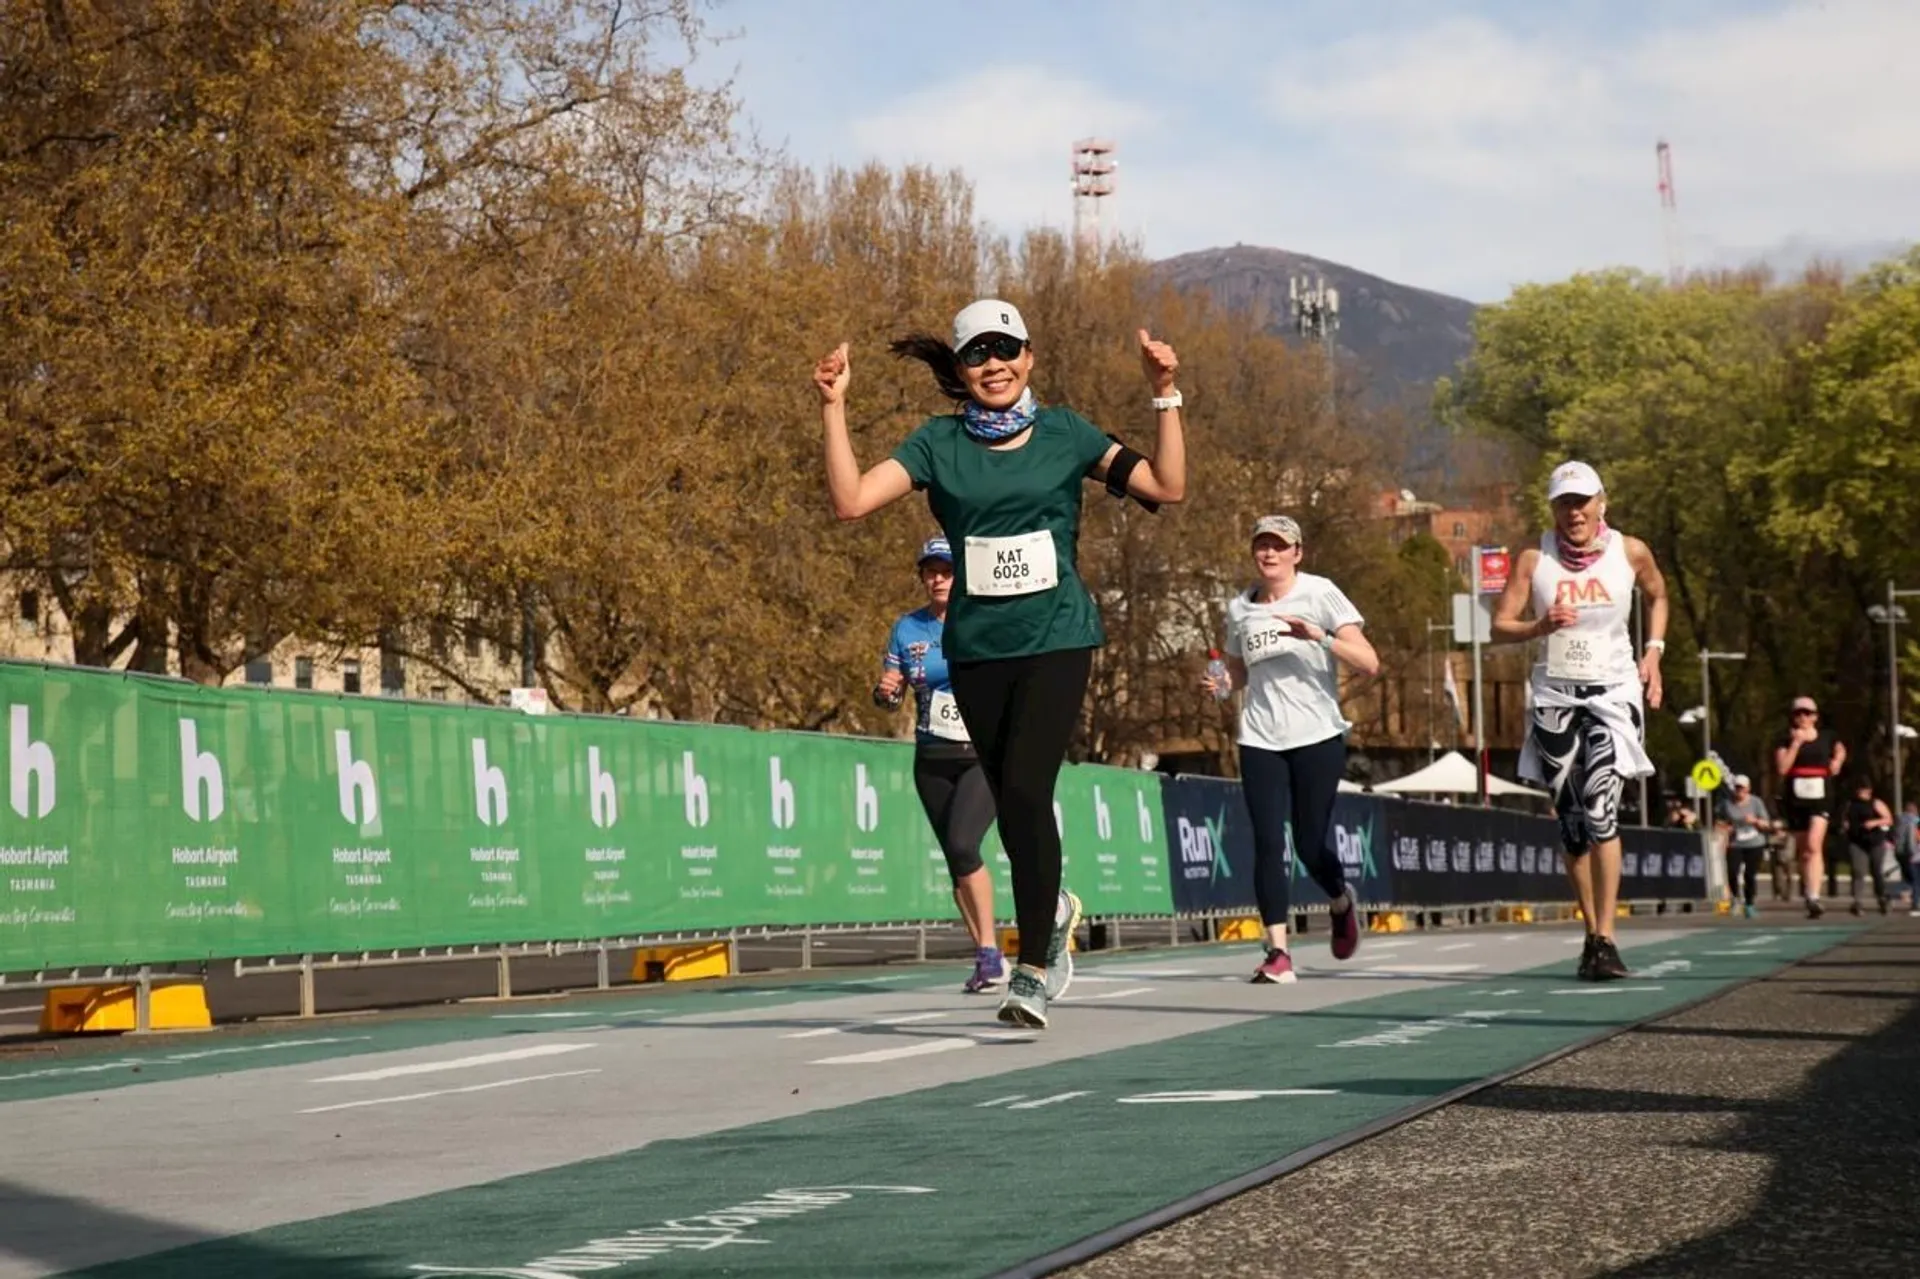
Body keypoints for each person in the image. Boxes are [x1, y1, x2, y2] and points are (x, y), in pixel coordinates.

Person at [814, 299, 1187, 1029]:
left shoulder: (1066, 434)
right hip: (978, 650)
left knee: (1022, 790)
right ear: (960, 369)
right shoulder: (937, 444)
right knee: (1017, 812)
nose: (995, 365)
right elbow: (852, 500)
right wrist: (833, 407)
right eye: (979, 353)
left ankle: (1035, 969)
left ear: (1030, 358)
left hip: (1056, 638)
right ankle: (1054, 909)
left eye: (1006, 350)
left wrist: (1165, 394)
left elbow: (1167, 487)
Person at [1491, 461, 1666, 982]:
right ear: (1553, 509)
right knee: (1571, 822)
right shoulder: (1533, 559)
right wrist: (1538, 625)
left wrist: (1653, 652)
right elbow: (1500, 626)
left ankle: (1609, 935)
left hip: (1613, 692)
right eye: (1565, 503)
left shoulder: (1629, 551)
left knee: (1601, 808)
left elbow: (1658, 594)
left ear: (1601, 503)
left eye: (1583, 501)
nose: (1575, 512)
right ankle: (1590, 933)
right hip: (1555, 695)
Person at [1199, 515, 1378, 982]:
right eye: (1262, 545)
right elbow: (1237, 671)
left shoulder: (1320, 593)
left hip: (1317, 735)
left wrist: (1319, 635)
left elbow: (1369, 662)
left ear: (1298, 552)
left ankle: (1340, 899)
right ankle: (1277, 952)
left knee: (1308, 843)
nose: (1270, 554)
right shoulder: (1240, 608)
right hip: (1259, 736)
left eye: (1280, 546)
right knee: (1266, 841)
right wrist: (1219, 683)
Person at [875, 536, 1007, 993]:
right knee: (956, 861)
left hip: (980, 756)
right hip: (931, 757)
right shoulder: (907, 628)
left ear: (962, 575)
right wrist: (888, 691)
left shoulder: (985, 620)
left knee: (963, 842)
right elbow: (890, 695)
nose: (937, 579)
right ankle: (986, 956)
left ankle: (992, 949)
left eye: (946, 570)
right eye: (930, 571)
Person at [1772, 696, 1845, 919]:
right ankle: (1809, 894)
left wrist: (1837, 762)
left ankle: (1814, 896)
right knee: (1804, 852)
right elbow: (1782, 768)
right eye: (1798, 713)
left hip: (1821, 796)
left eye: (1807, 713)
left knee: (1814, 845)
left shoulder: (1827, 736)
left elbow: (1840, 750)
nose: (1803, 717)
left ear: (1815, 716)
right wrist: (1796, 743)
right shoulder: (1785, 739)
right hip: (1796, 798)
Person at [1716, 774, 1775, 919]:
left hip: (1754, 842)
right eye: (1737, 787)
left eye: (1742, 788)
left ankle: (1749, 904)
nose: (1739, 791)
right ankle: (1736, 899)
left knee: (1750, 874)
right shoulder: (1727, 803)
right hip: (1735, 842)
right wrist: (1725, 827)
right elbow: (1719, 820)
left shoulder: (1756, 802)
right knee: (1732, 871)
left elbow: (1766, 823)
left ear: (1748, 788)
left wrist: (1754, 820)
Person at [1838, 778, 1893, 916]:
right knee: (1858, 871)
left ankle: (1882, 898)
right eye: (1859, 790)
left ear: (1869, 790)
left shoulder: (1875, 803)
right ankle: (1857, 902)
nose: (1861, 793)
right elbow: (1844, 819)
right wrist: (1845, 826)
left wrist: (1875, 822)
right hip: (1857, 841)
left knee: (1876, 871)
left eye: (1864, 790)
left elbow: (1888, 819)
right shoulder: (1850, 804)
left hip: (1875, 841)